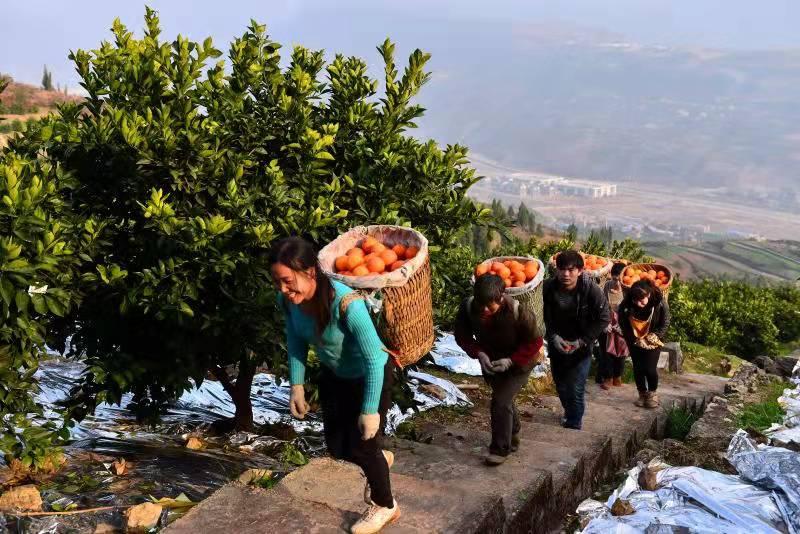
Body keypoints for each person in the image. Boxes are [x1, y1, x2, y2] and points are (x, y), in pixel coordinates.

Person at [269, 237, 399, 534]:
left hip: (370, 375)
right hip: (336, 374)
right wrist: (296, 386)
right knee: (338, 447)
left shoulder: (347, 304)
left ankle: (386, 505)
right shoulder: (288, 302)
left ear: (310, 272)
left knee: (363, 446)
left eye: (288, 281)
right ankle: (378, 460)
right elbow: (295, 339)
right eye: (277, 282)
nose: (283, 290)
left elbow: (375, 359)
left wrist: (370, 410)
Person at [454, 273, 544, 466]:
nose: (485, 310)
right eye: (481, 305)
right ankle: (514, 431)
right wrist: (479, 353)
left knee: (500, 401)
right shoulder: (469, 307)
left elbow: (535, 342)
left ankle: (500, 449)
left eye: (490, 306)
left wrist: (511, 361)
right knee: (504, 399)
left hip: (521, 363)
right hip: (492, 362)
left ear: (501, 298)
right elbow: (462, 336)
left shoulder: (519, 311)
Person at [542, 250, 610, 430]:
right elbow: (540, 316)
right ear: (556, 269)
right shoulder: (548, 288)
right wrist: (553, 336)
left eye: (571, 270)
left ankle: (574, 422)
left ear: (580, 271)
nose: (566, 274)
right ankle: (569, 411)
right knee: (561, 386)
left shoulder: (590, 290)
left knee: (576, 387)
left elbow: (604, 318)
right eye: (562, 269)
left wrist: (582, 341)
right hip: (557, 344)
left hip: (581, 346)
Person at [618, 279, 670, 409]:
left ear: (649, 294)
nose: (638, 303)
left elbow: (665, 322)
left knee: (650, 368)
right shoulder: (627, 303)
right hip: (634, 340)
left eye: (641, 300)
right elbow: (622, 321)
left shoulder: (659, 302)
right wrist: (632, 338)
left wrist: (656, 335)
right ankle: (642, 393)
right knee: (638, 368)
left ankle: (652, 394)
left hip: (653, 340)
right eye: (635, 300)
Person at [598, 262, 629, 389]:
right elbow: (603, 305)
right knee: (607, 350)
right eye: (615, 279)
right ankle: (608, 377)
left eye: (619, 280)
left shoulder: (628, 290)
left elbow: (631, 310)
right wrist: (605, 323)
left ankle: (618, 375)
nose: (617, 283)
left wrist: (623, 326)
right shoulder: (607, 286)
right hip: (609, 321)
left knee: (621, 349)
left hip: (622, 322)